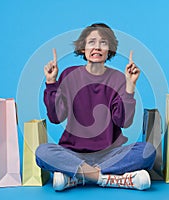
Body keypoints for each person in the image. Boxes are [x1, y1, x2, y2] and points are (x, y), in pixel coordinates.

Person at [36, 23, 156, 191]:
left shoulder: (118, 79)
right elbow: (56, 117)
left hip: (109, 154)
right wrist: (51, 83)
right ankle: (110, 179)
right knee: (43, 152)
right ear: (83, 48)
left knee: (148, 151)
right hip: (72, 153)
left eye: (103, 42)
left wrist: (130, 86)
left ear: (110, 49)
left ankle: (77, 178)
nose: (97, 47)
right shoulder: (69, 74)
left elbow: (124, 121)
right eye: (92, 42)